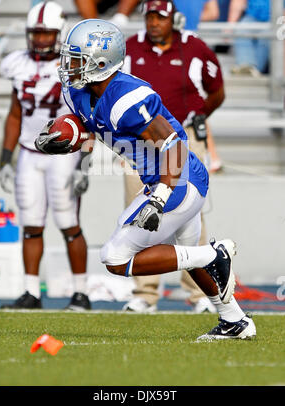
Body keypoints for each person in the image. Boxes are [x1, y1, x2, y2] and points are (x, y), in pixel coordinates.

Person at [35, 18, 256, 340]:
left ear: (100, 62)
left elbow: (175, 148)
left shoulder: (128, 97)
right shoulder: (77, 91)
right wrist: (67, 133)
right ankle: (234, 320)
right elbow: (89, 123)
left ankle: (214, 254)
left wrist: (160, 196)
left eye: (77, 59)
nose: (69, 66)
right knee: (187, 256)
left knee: (115, 257)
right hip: (167, 178)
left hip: (179, 178)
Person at [120, 0, 226, 313]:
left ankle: (198, 293)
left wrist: (200, 114)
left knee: (191, 210)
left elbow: (217, 89)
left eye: (161, 17)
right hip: (140, 141)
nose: (154, 23)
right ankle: (145, 292)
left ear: (175, 19)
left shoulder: (194, 47)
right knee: (139, 210)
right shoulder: (130, 48)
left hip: (182, 138)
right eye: (149, 17)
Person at [0, 1, 91, 311]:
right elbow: (15, 115)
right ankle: (31, 292)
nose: (40, 40)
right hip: (28, 153)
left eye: (46, 33)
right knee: (31, 224)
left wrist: (86, 162)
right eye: (35, 34)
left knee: (68, 221)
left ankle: (80, 293)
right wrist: (5, 157)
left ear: (60, 33)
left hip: (63, 154)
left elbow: (87, 115)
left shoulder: (73, 65)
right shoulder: (17, 64)